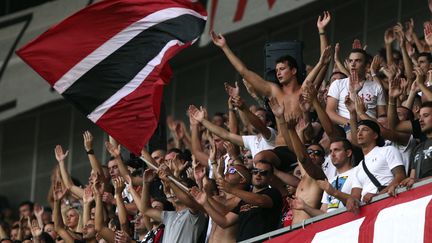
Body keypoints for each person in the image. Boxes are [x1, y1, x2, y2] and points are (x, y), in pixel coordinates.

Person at [193, 161, 281, 242]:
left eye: (263, 173)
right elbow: (225, 222)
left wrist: (230, 190)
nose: (258, 174)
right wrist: (204, 201)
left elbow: (260, 200)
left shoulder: (272, 192)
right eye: (255, 171)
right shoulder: (244, 200)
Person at [350, 120, 406, 205]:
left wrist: (379, 196)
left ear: (375, 135)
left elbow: (400, 176)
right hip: (368, 208)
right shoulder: (358, 167)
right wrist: (351, 200)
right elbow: (355, 195)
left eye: (364, 129)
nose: (359, 133)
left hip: (389, 200)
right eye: (358, 130)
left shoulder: (388, 150)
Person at [326, 49, 386, 126]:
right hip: (345, 127)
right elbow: (330, 112)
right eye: (350, 61)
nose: (353, 64)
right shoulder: (337, 84)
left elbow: (382, 115)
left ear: (366, 66)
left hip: (370, 128)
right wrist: (351, 123)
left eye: (357, 61)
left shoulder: (376, 87)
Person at [401, 102, 432, 187]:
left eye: (425, 116)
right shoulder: (418, 148)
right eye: (419, 117)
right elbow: (413, 178)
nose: (420, 120)